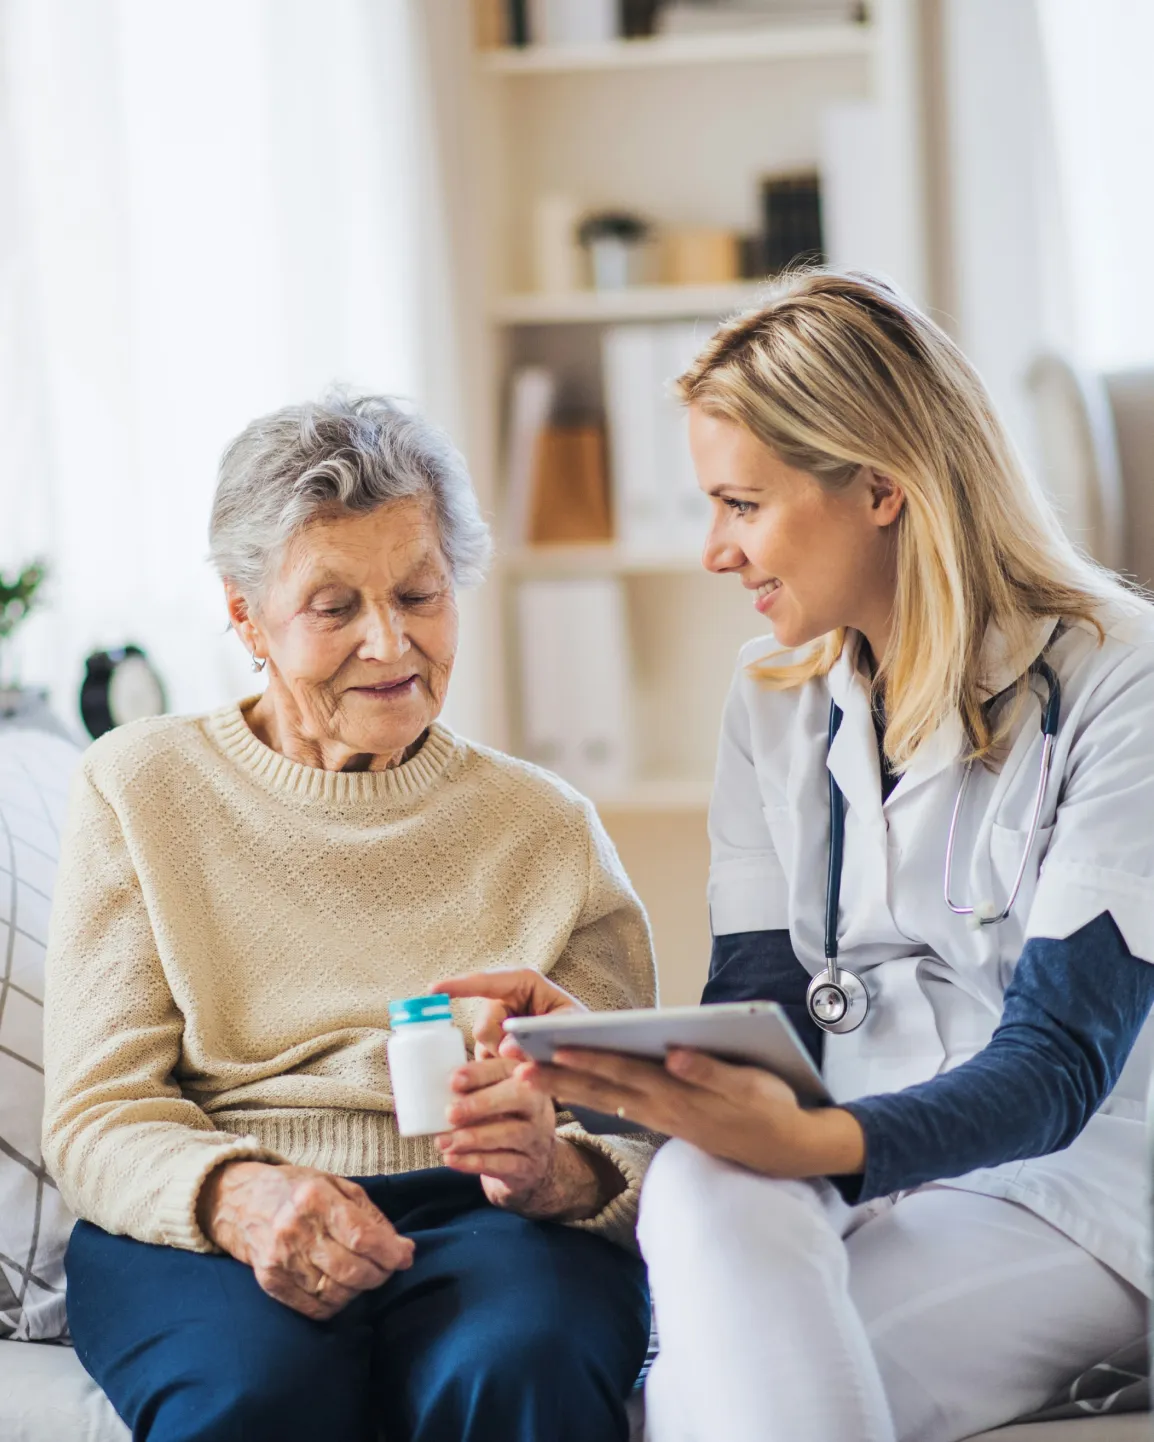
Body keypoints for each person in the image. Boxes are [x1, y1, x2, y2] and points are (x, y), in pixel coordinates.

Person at [441, 273, 1154, 1442]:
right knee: (700, 1182)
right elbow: (762, 1014)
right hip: (848, 1169)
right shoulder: (771, 695)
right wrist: (612, 1059)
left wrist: (815, 1144)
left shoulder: (1116, 679)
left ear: (879, 485)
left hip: (1062, 1187)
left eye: (740, 503)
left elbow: (1056, 1066)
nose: (715, 551)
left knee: (703, 1395)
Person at [42, 394, 656, 1442]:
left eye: (419, 591)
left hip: (485, 1210)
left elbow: (635, 1129)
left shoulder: (545, 827)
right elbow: (99, 1112)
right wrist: (238, 1195)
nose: (391, 641)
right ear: (243, 613)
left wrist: (559, 1168)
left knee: (521, 1370)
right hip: (217, 1203)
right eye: (334, 606)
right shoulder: (138, 787)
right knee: (252, 1396)